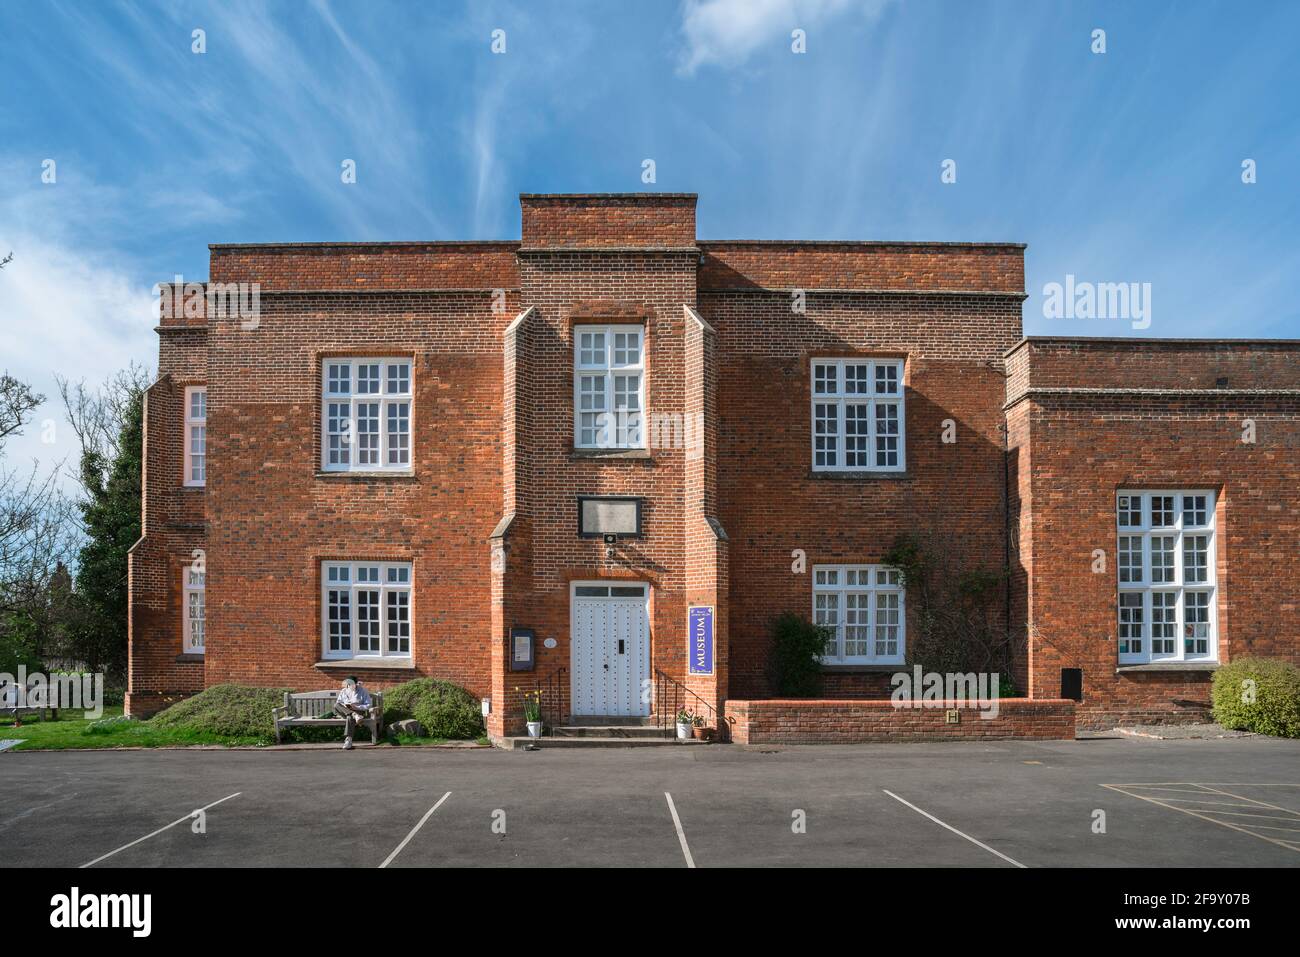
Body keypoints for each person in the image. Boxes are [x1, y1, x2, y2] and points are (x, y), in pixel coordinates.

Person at [334, 676, 372, 750]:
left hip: (358, 711)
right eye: (349, 684)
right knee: (336, 705)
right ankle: (354, 715)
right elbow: (339, 702)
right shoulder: (344, 691)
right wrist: (346, 706)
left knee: (349, 717)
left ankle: (348, 740)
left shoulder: (363, 691)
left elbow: (368, 705)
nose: (350, 686)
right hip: (346, 711)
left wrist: (357, 707)